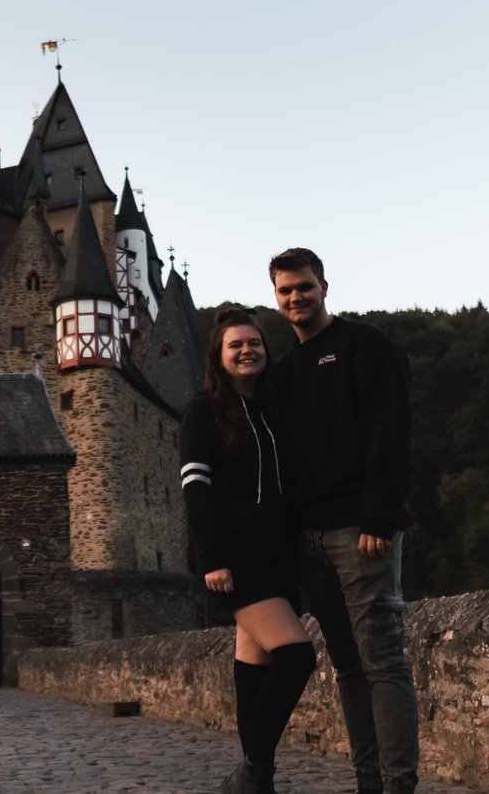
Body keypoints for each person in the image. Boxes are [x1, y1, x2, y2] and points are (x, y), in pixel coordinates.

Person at [267, 247, 419, 794]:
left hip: (361, 530)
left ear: (324, 286)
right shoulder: (284, 372)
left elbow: (391, 432)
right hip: (308, 537)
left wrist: (380, 516)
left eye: (303, 287)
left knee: (382, 661)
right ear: (277, 298)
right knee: (348, 666)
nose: (295, 298)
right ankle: (368, 783)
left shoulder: (364, 347)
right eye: (285, 291)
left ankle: (398, 785)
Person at [179, 308, 317, 794]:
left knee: (253, 670)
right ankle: (253, 772)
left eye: (254, 342)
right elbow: (196, 487)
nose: (246, 350)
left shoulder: (274, 410)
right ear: (219, 356)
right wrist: (210, 556)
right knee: (297, 656)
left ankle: (255, 780)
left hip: (280, 554)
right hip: (236, 554)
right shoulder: (203, 411)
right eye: (235, 344)